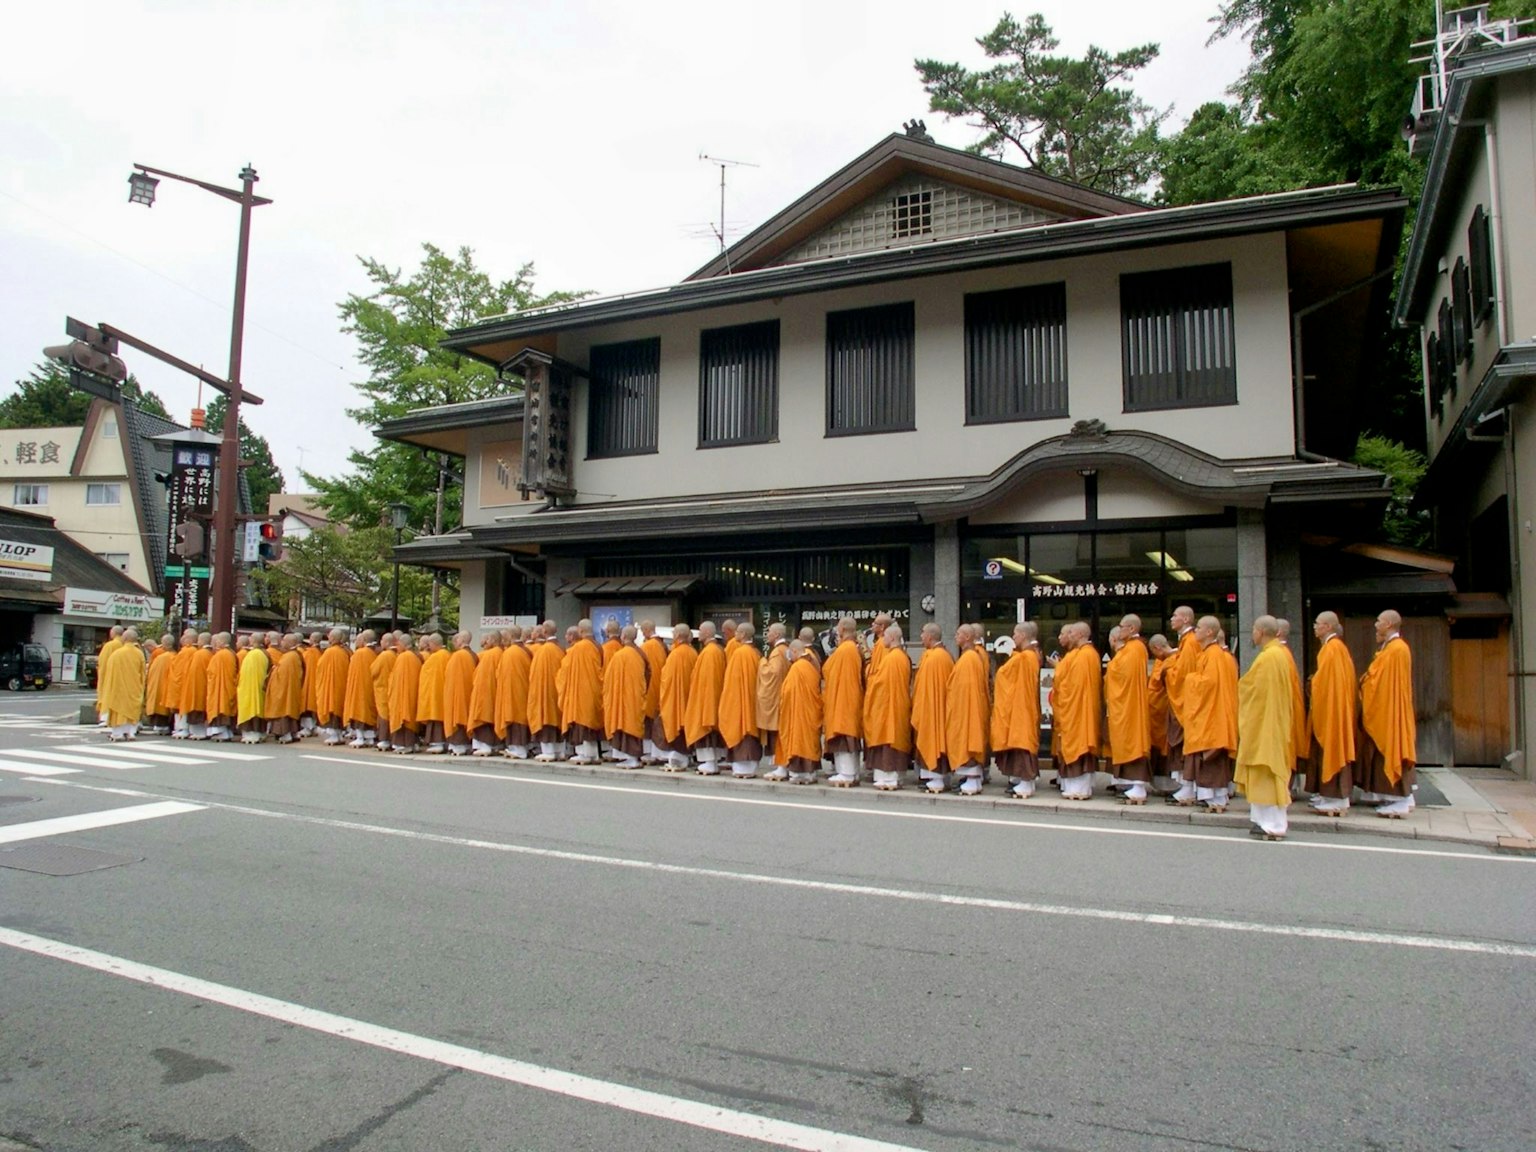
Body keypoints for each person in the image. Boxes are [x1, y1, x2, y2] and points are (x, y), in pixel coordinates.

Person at [1236, 615, 1296, 840]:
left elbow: (1252, 690)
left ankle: (1273, 824)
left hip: (1266, 722)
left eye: (1253, 629)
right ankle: (1262, 821)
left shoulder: (1269, 657)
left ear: (1261, 632)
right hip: (1271, 720)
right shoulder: (1278, 655)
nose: (1252, 633)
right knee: (1263, 770)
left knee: (1267, 769)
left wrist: (1241, 687)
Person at [1359, 609, 1418, 818]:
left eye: (1379, 621)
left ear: (1390, 624)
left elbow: (1383, 683)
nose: (1376, 625)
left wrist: (1366, 683)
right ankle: (1399, 798)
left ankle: (1399, 800)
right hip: (1388, 708)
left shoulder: (1396, 650)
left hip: (1391, 710)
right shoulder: (1391, 648)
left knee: (1392, 748)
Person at [1181, 616, 1239, 813]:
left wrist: (1189, 679)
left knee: (1211, 755)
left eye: (1198, 628)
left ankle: (1216, 798)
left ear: (1209, 632)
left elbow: (1208, 684)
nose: (1195, 631)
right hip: (1211, 713)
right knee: (1209, 757)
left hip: (1213, 714)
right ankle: (1212, 797)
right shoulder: (1209, 653)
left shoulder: (1213, 654)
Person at [1306, 611, 1357, 815]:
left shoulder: (1332, 649)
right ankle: (1331, 796)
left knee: (1332, 749)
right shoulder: (1335, 648)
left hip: (1332, 711)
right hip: (1334, 708)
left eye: (1317, 623)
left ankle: (1336, 799)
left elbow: (1327, 683)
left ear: (1327, 626)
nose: (1314, 627)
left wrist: (1313, 683)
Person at [1049, 622, 1101, 800]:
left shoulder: (1085, 655)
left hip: (1079, 710)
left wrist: (1059, 671)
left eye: (1070, 632)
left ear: (1079, 634)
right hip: (1077, 709)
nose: (1067, 635)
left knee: (1079, 745)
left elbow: (1072, 686)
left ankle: (1080, 788)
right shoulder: (1082, 654)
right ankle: (1076, 786)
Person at [1105, 614, 1153, 803]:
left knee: (1133, 741)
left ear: (1132, 629)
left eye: (1122, 626)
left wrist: (1112, 664)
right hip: (1124, 704)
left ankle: (1138, 786)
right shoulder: (1129, 649)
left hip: (1131, 705)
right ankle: (1130, 784)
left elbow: (1121, 674)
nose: (1120, 630)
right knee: (1125, 740)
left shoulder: (1135, 648)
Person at [992, 622, 1042, 798]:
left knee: (1022, 741)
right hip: (1022, 706)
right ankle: (1023, 782)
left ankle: (1026, 783)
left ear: (1023, 635)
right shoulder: (1028, 656)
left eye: (1015, 634)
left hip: (1022, 706)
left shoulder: (1025, 657)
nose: (1013, 638)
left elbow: (1003, 676)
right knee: (1021, 740)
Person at [863, 623, 912, 790]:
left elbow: (880, 683)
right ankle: (892, 776)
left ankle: (890, 777)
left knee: (889, 739)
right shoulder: (901, 656)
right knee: (893, 738)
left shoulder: (892, 658)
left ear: (891, 637)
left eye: (884, 636)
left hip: (889, 706)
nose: (882, 639)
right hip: (896, 705)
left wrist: (870, 676)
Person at [946, 624, 990, 796]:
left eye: (958, 634)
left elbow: (966, 690)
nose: (955, 637)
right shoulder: (970, 657)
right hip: (965, 708)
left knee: (967, 740)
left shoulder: (970, 658)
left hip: (967, 710)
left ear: (967, 637)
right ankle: (971, 780)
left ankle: (972, 781)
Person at [1165, 605, 1202, 805]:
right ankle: (1186, 787)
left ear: (1186, 619)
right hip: (1184, 700)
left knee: (1185, 745)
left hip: (1185, 701)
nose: (1172, 619)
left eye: (1175, 616)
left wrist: (1166, 668)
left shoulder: (1189, 642)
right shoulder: (1185, 642)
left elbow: (1182, 675)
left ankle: (1188, 787)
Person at [822, 616, 865, 786]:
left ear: (841, 629)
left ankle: (846, 773)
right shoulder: (851, 648)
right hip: (847, 697)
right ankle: (851, 773)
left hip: (843, 699)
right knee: (848, 736)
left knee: (844, 734)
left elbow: (831, 672)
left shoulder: (845, 650)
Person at [911, 622, 953, 794]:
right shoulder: (935, 655)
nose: (920, 637)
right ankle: (931, 777)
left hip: (933, 709)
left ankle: (936, 779)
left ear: (929, 636)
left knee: (933, 740)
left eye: (922, 633)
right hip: (929, 707)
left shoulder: (936, 658)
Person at [774, 640, 824, 784]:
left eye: (790, 652)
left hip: (798, 713)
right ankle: (810, 772)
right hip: (810, 713)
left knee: (798, 741)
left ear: (795, 651)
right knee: (809, 741)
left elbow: (789, 692)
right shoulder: (810, 666)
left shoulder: (798, 668)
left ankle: (799, 773)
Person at [718, 622, 763, 778]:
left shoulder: (740, 653)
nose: (735, 634)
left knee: (740, 727)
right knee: (749, 728)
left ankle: (742, 767)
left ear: (743, 634)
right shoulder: (755, 653)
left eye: (737, 631)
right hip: (752, 701)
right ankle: (749, 766)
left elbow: (732, 681)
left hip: (740, 700)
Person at [602, 624, 649, 768]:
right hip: (636, 697)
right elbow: (648, 674)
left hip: (622, 698)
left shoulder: (620, 655)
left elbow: (609, 680)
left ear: (623, 637)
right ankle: (632, 758)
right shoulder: (640, 653)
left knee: (625, 725)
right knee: (633, 724)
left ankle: (631, 759)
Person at [684, 621, 727, 774]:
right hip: (708, 696)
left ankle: (710, 762)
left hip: (708, 698)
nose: (698, 634)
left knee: (707, 727)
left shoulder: (711, 652)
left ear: (708, 633)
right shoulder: (713, 650)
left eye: (701, 631)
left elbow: (709, 681)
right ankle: (711, 762)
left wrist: (705, 702)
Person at [560, 619, 606, 765]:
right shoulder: (598, 646)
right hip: (594, 689)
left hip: (580, 691)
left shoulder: (579, 648)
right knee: (590, 721)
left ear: (580, 631)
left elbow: (565, 669)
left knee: (581, 721)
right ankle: (593, 754)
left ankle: (585, 754)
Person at [1275, 618, 1309, 795]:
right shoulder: (1283, 653)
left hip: (1281, 712)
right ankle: (1291, 787)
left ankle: (1286, 788)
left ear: (1278, 632)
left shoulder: (1278, 654)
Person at [658, 623, 697, 771]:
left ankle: (678, 760)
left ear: (678, 636)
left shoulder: (676, 654)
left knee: (675, 725)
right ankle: (684, 758)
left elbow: (667, 679)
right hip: (689, 698)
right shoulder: (693, 652)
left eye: (674, 633)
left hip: (676, 698)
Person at [756, 622, 791, 779]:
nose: (767, 634)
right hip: (783, 697)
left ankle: (781, 766)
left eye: (769, 632)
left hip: (777, 698)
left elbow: (773, 673)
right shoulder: (785, 650)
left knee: (778, 733)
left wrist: (763, 663)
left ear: (777, 634)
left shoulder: (778, 652)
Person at [529, 621, 566, 762]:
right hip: (558, 690)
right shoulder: (561, 648)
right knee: (557, 718)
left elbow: (536, 674)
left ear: (544, 632)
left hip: (545, 691)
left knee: (546, 717)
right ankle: (560, 750)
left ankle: (549, 751)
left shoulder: (544, 650)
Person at [102, 627, 146, 740]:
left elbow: (109, 674)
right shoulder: (139, 654)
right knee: (132, 709)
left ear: (124, 638)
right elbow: (143, 673)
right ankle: (131, 733)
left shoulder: (117, 654)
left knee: (118, 710)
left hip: (119, 688)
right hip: (134, 688)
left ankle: (118, 734)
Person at [496, 626, 534, 760]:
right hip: (524, 691)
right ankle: (517, 747)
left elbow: (500, 674)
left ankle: (518, 749)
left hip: (512, 692)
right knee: (520, 718)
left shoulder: (509, 653)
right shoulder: (527, 651)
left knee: (514, 717)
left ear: (511, 636)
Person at [265, 634, 306, 744]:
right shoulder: (292, 655)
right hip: (290, 689)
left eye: (284, 640)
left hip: (285, 690)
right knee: (289, 709)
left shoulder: (290, 657)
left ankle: (286, 734)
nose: (281, 642)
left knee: (284, 709)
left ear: (290, 643)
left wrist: (274, 670)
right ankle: (291, 733)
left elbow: (282, 675)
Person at [313, 628, 351, 746]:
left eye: (329, 636)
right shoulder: (345, 651)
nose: (328, 638)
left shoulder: (330, 652)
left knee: (331, 708)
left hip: (331, 686)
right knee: (338, 708)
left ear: (333, 638)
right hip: (341, 686)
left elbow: (320, 667)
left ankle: (334, 735)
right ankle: (338, 734)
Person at [441, 631, 477, 756]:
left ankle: (459, 745)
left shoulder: (459, 656)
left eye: (456, 640)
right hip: (469, 694)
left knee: (457, 717)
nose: (454, 643)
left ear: (461, 640)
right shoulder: (474, 655)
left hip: (458, 694)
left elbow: (452, 678)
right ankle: (466, 744)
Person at [638, 619, 668, 765]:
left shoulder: (648, 646)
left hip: (649, 687)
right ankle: (658, 752)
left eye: (643, 631)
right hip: (660, 687)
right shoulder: (662, 645)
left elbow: (643, 669)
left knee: (649, 722)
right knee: (657, 720)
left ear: (646, 630)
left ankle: (650, 752)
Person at [1147, 634, 1174, 790]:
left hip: (1167, 712)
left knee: (1168, 748)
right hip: (1156, 713)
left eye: (1153, 652)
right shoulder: (1160, 661)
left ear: (1157, 648)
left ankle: (1171, 785)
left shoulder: (1173, 660)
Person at [468, 631, 501, 756]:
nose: (486, 642)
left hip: (486, 692)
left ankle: (486, 745)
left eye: (488, 639)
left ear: (493, 640)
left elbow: (482, 677)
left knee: (484, 717)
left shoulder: (490, 655)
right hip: (495, 692)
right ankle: (492, 744)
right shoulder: (500, 653)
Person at [343, 630, 379, 748]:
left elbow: (353, 673)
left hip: (359, 688)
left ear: (363, 640)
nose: (356, 641)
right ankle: (369, 737)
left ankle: (360, 737)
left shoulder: (359, 654)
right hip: (371, 687)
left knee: (359, 710)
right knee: (369, 710)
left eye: (358, 639)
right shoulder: (376, 653)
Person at [416, 633, 450, 754]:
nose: (428, 647)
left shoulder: (437, 657)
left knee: (436, 717)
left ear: (434, 643)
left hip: (435, 692)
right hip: (442, 692)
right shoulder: (447, 655)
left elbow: (429, 675)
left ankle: (437, 742)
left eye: (430, 644)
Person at [388, 633, 423, 753]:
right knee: (410, 717)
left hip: (403, 694)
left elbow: (397, 678)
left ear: (403, 644)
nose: (397, 647)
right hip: (412, 693)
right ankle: (412, 743)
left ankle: (404, 744)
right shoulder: (416, 656)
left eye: (398, 644)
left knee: (403, 717)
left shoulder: (404, 657)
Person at [204, 633, 238, 742]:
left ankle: (221, 731)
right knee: (225, 706)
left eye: (218, 641)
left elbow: (212, 672)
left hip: (220, 687)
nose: (215, 643)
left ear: (223, 642)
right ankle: (226, 731)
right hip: (228, 686)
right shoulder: (232, 653)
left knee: (220, 707)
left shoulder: (221, 655)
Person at [236, 633, 269, 744]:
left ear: (253, 641)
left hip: (250, 689)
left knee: (251, 709)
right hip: (260, 688)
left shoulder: (253, 655)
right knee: (258, 708)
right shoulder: (265, 653)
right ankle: (260, 732)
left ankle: (252, 733)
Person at [167, 629, 198, 739]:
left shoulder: (187, 651)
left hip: (182, 683)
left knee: (182, 707)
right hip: (182, 682)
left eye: (185, 637)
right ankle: (180, 728)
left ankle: (182, 728)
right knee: (180, 707)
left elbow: (180, 670)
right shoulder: (191, 651)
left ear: (190, 639)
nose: (182, 639)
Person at [142, 634, 175, 735]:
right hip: (170, 688)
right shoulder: (175, 656)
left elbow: (151, 673)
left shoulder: (159, 656)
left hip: (158, 687)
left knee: (158, 703)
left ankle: (160, 726)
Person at [371, 632, 399, 751]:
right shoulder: (397, 655)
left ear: (387, 642)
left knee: (383, 715)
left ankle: (384, 739)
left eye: (382, 640)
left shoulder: (384, 656)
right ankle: (392, 739)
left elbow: (373, 671)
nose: (380, 643)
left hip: (383, 688)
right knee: (391, 714)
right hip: (393, 689)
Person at [95, 624, 126, 726]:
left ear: (113, 633)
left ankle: (105, 717)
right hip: (123, 676)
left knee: (107, 695)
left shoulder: (110, 645)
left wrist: (101, 674)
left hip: (109, 676)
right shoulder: (124, 645)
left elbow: (103, 662)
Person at [299, 631, 324, 737]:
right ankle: (314, 726)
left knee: (307, 704)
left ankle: (307, 727)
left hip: (307, 682)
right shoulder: (322, 653)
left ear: (312, 640)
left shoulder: (308, 653)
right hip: (317, 683)